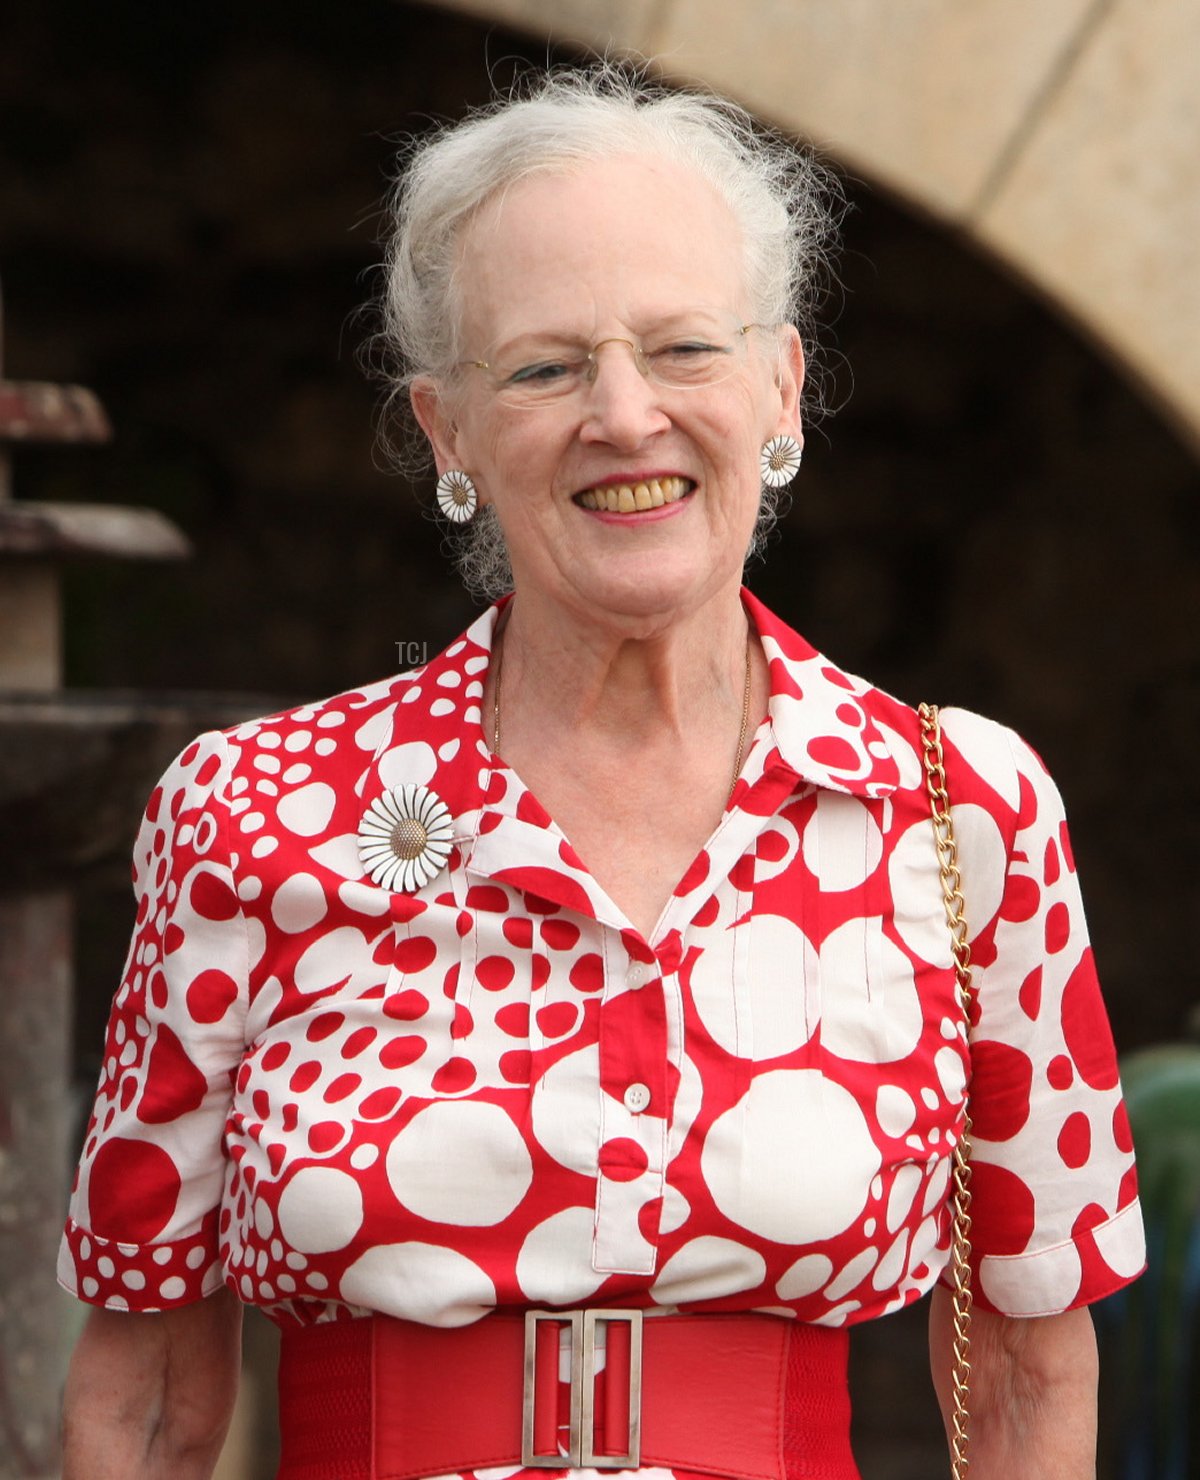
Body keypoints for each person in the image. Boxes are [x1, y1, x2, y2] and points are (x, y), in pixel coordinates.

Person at [59, 65, 1145, 1480]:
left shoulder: (961, 810)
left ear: (783, 387)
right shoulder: (251, 815)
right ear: (448, 431)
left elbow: (1023, 1374)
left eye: (684, 349)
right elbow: (144, 1390)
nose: (624, 417)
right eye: (545, 366)